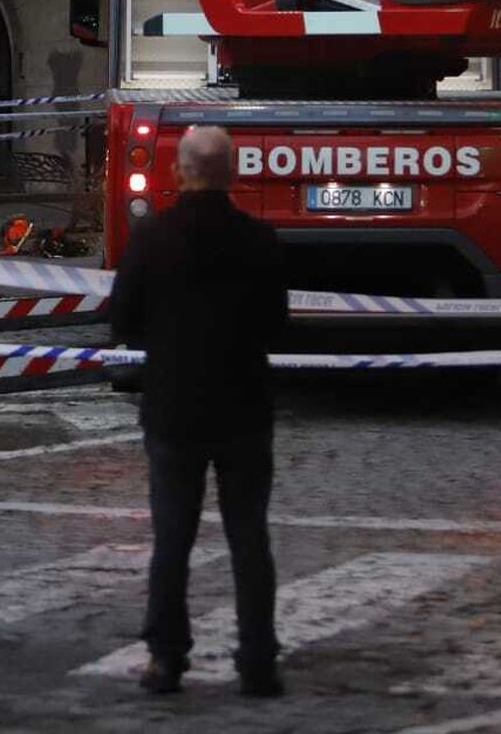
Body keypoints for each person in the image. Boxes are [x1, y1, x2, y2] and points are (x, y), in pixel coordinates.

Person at [108, 122, 289, 700]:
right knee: (248, 538)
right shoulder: (261, 240)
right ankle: (257, 661)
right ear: (232, 172)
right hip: (243, 406)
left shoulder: (152, 239)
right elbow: (276, 326)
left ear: (179, 170)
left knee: (172, 538)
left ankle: (166, 659)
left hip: (173, 407)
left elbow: (122, 320)